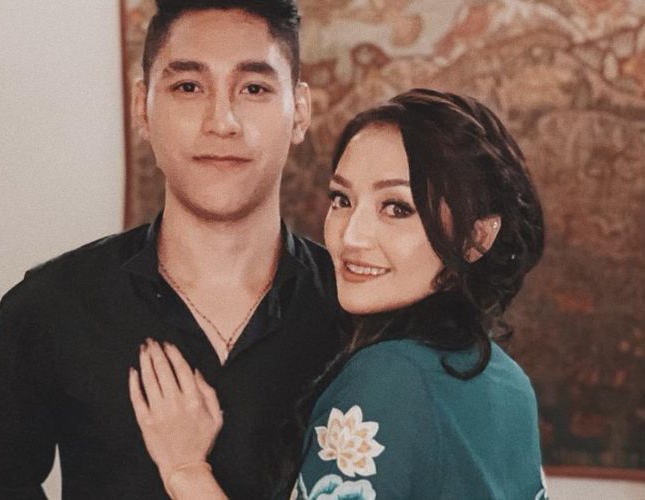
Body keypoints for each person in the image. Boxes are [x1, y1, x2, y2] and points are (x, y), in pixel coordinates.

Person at [0, 1, 342, 498]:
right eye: (188, 87)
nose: (222, 122)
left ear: (300, 111)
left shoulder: (359, 315)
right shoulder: (51, 306)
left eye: (253, 88)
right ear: (143, 108)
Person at [128, 89, 549, 499]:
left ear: (477, 237)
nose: (350, 236)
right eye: (342, 200)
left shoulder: (388, 378)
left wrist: (185, 470)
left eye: (397, 208)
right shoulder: (508, 381)